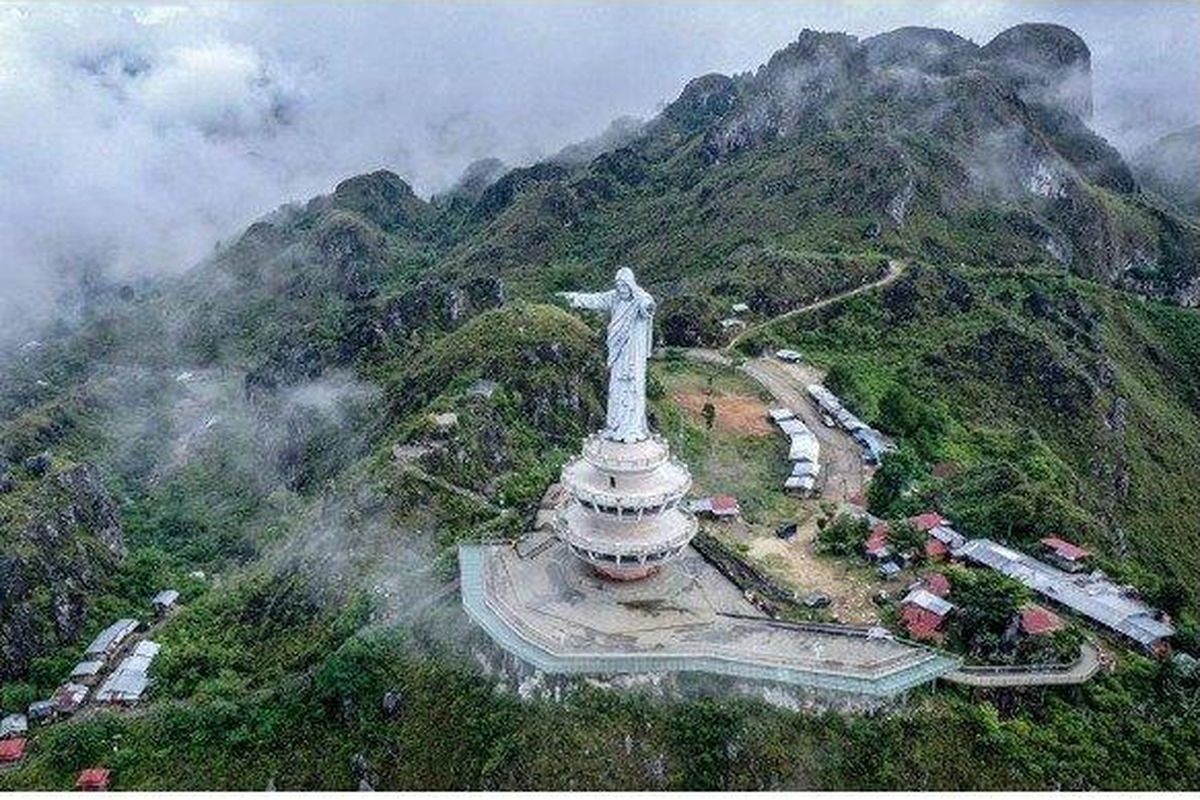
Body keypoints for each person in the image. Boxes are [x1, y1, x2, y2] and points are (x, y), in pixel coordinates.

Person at [560, 267, 656, 442]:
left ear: (631, 285)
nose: (621, 290)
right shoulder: (614, 297)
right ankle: (615, 426)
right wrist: (569, 298)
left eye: (624, 286)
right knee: (617, 388)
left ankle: (631, 429)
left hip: (633, 353)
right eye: (618, 286)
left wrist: (646, 303)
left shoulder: (639, 299)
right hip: (618, 353)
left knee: (632, 388)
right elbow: (595, 299)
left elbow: (647, 306)